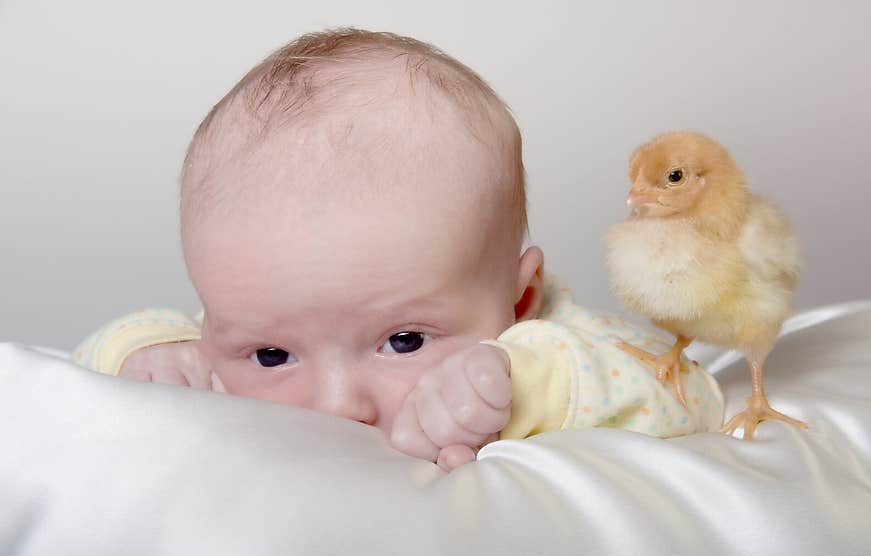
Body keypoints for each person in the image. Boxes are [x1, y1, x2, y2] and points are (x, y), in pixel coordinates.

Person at [75, 28, 724, 471]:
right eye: (273, 356)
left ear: (518, 298)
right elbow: (90, 369)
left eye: (405, 341)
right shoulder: (238, 335)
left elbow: (692, 400)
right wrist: (146, 355)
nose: (339, 407)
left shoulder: (558, 348)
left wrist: (525, 387)